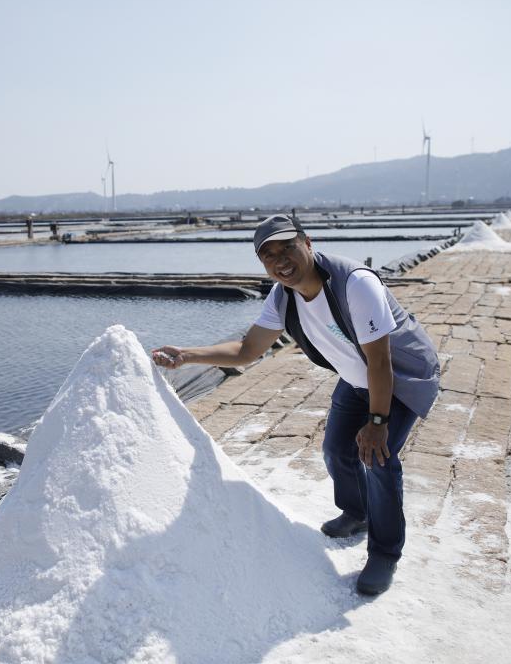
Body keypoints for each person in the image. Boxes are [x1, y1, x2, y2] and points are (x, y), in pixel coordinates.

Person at [152, 214, 440, 595]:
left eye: (287, 247)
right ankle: (358, 513)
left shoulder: (356, 284)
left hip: (399, 378)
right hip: (357, 377)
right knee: (337, 450)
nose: (280, 260)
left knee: (377, 457)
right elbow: (246, 350)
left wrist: (376, 421)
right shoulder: (282, 297)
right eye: (268, 255)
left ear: (307, 243)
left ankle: (385, 552)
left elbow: (381, 362)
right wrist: (186, 356)